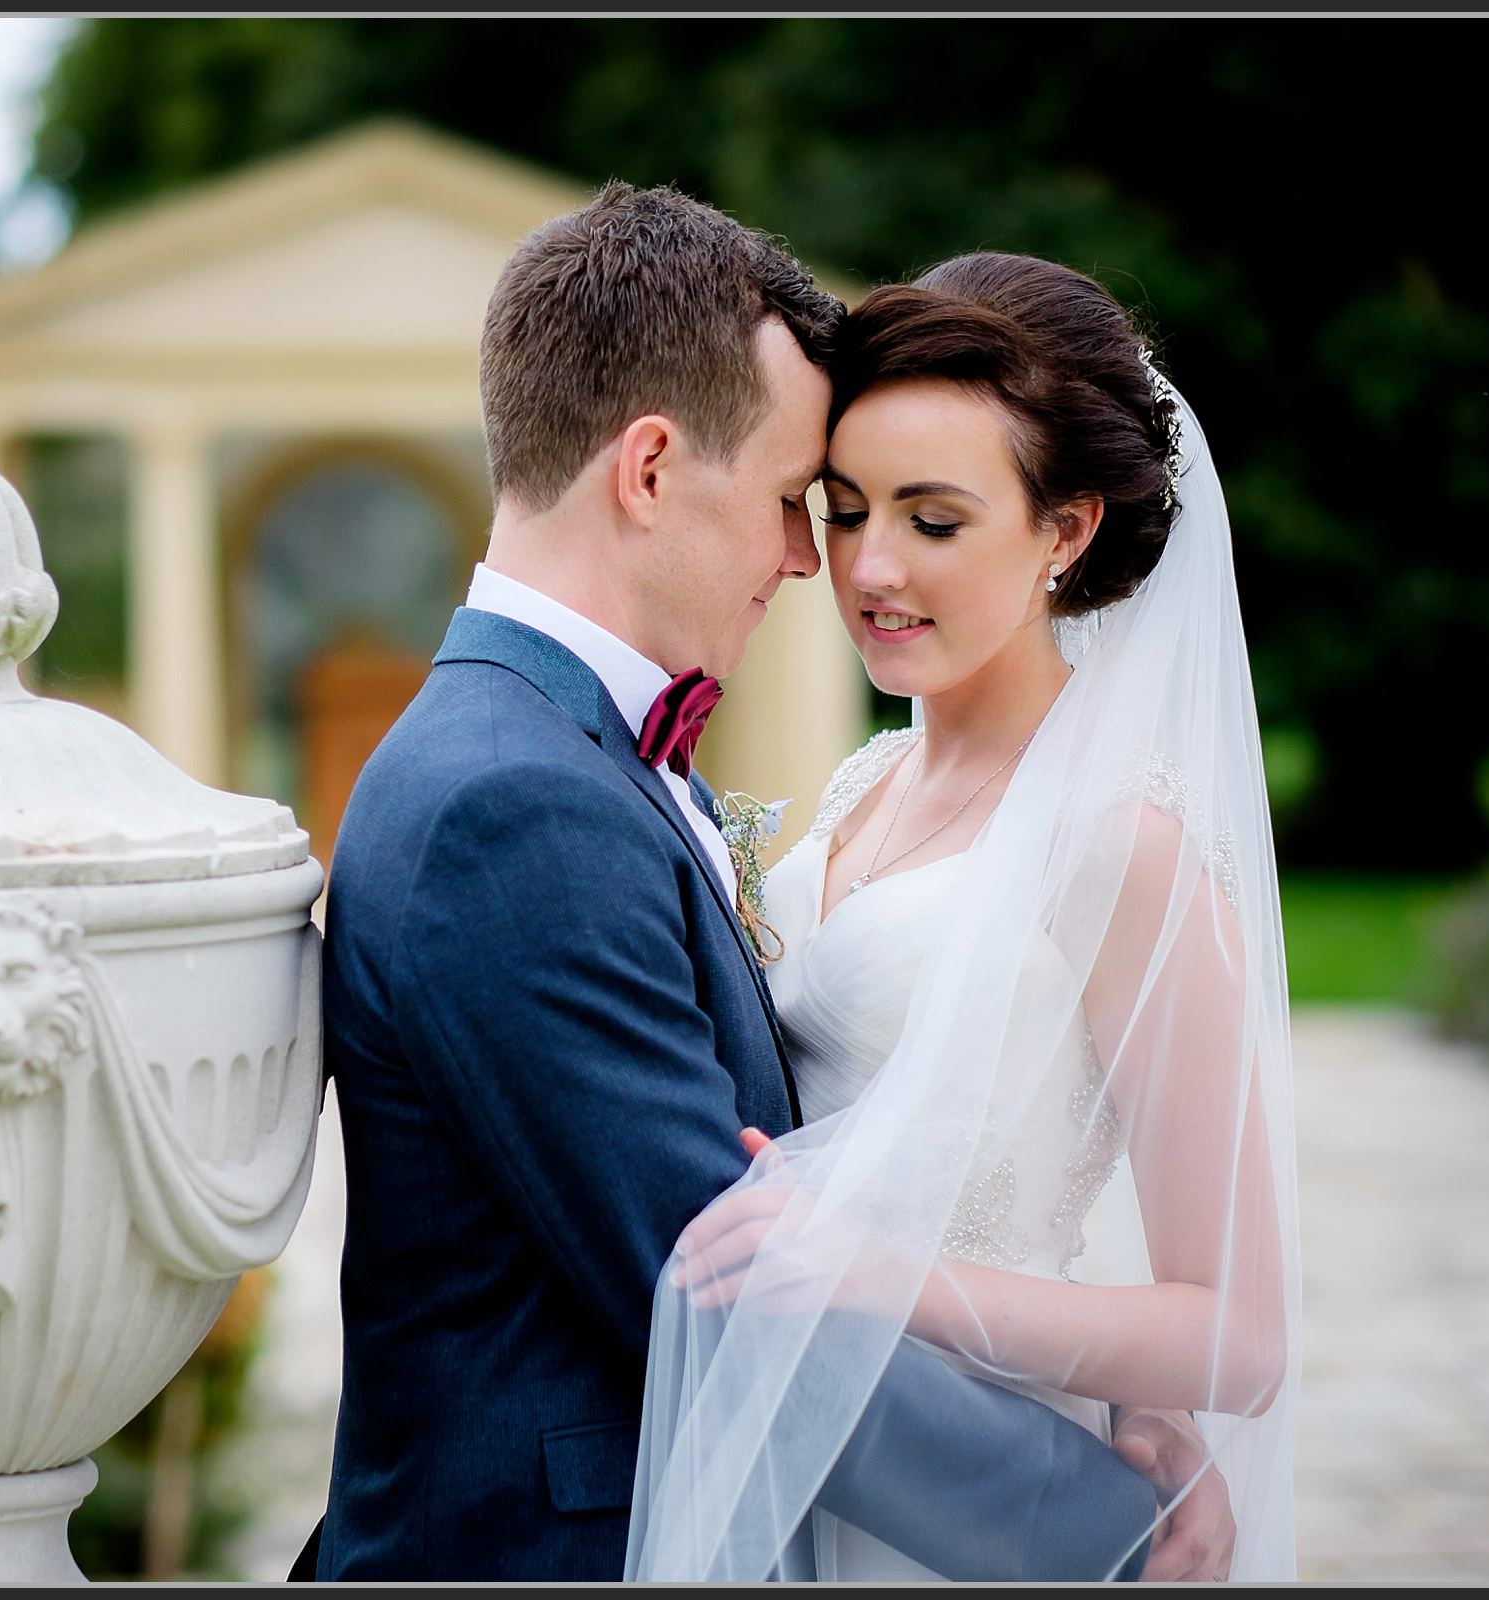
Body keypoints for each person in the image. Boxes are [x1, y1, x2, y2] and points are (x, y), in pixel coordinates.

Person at [293, 187, 1226, 1582]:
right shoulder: (515, 801)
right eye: (803, 502)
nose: (817, 562)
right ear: (651, 469)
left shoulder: (565, 751)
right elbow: (721, 1283)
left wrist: (1122, 1377)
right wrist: (1110, 1527)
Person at [626, 253, 1298, 1581]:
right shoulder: (867, 783)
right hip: (808, 1456)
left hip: (973, 1492)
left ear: (1066, 530)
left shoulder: (1121, 845)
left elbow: (1242, 1339)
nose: (870, 566)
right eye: (849, 506)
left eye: (935, 520)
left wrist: (878, 1278)